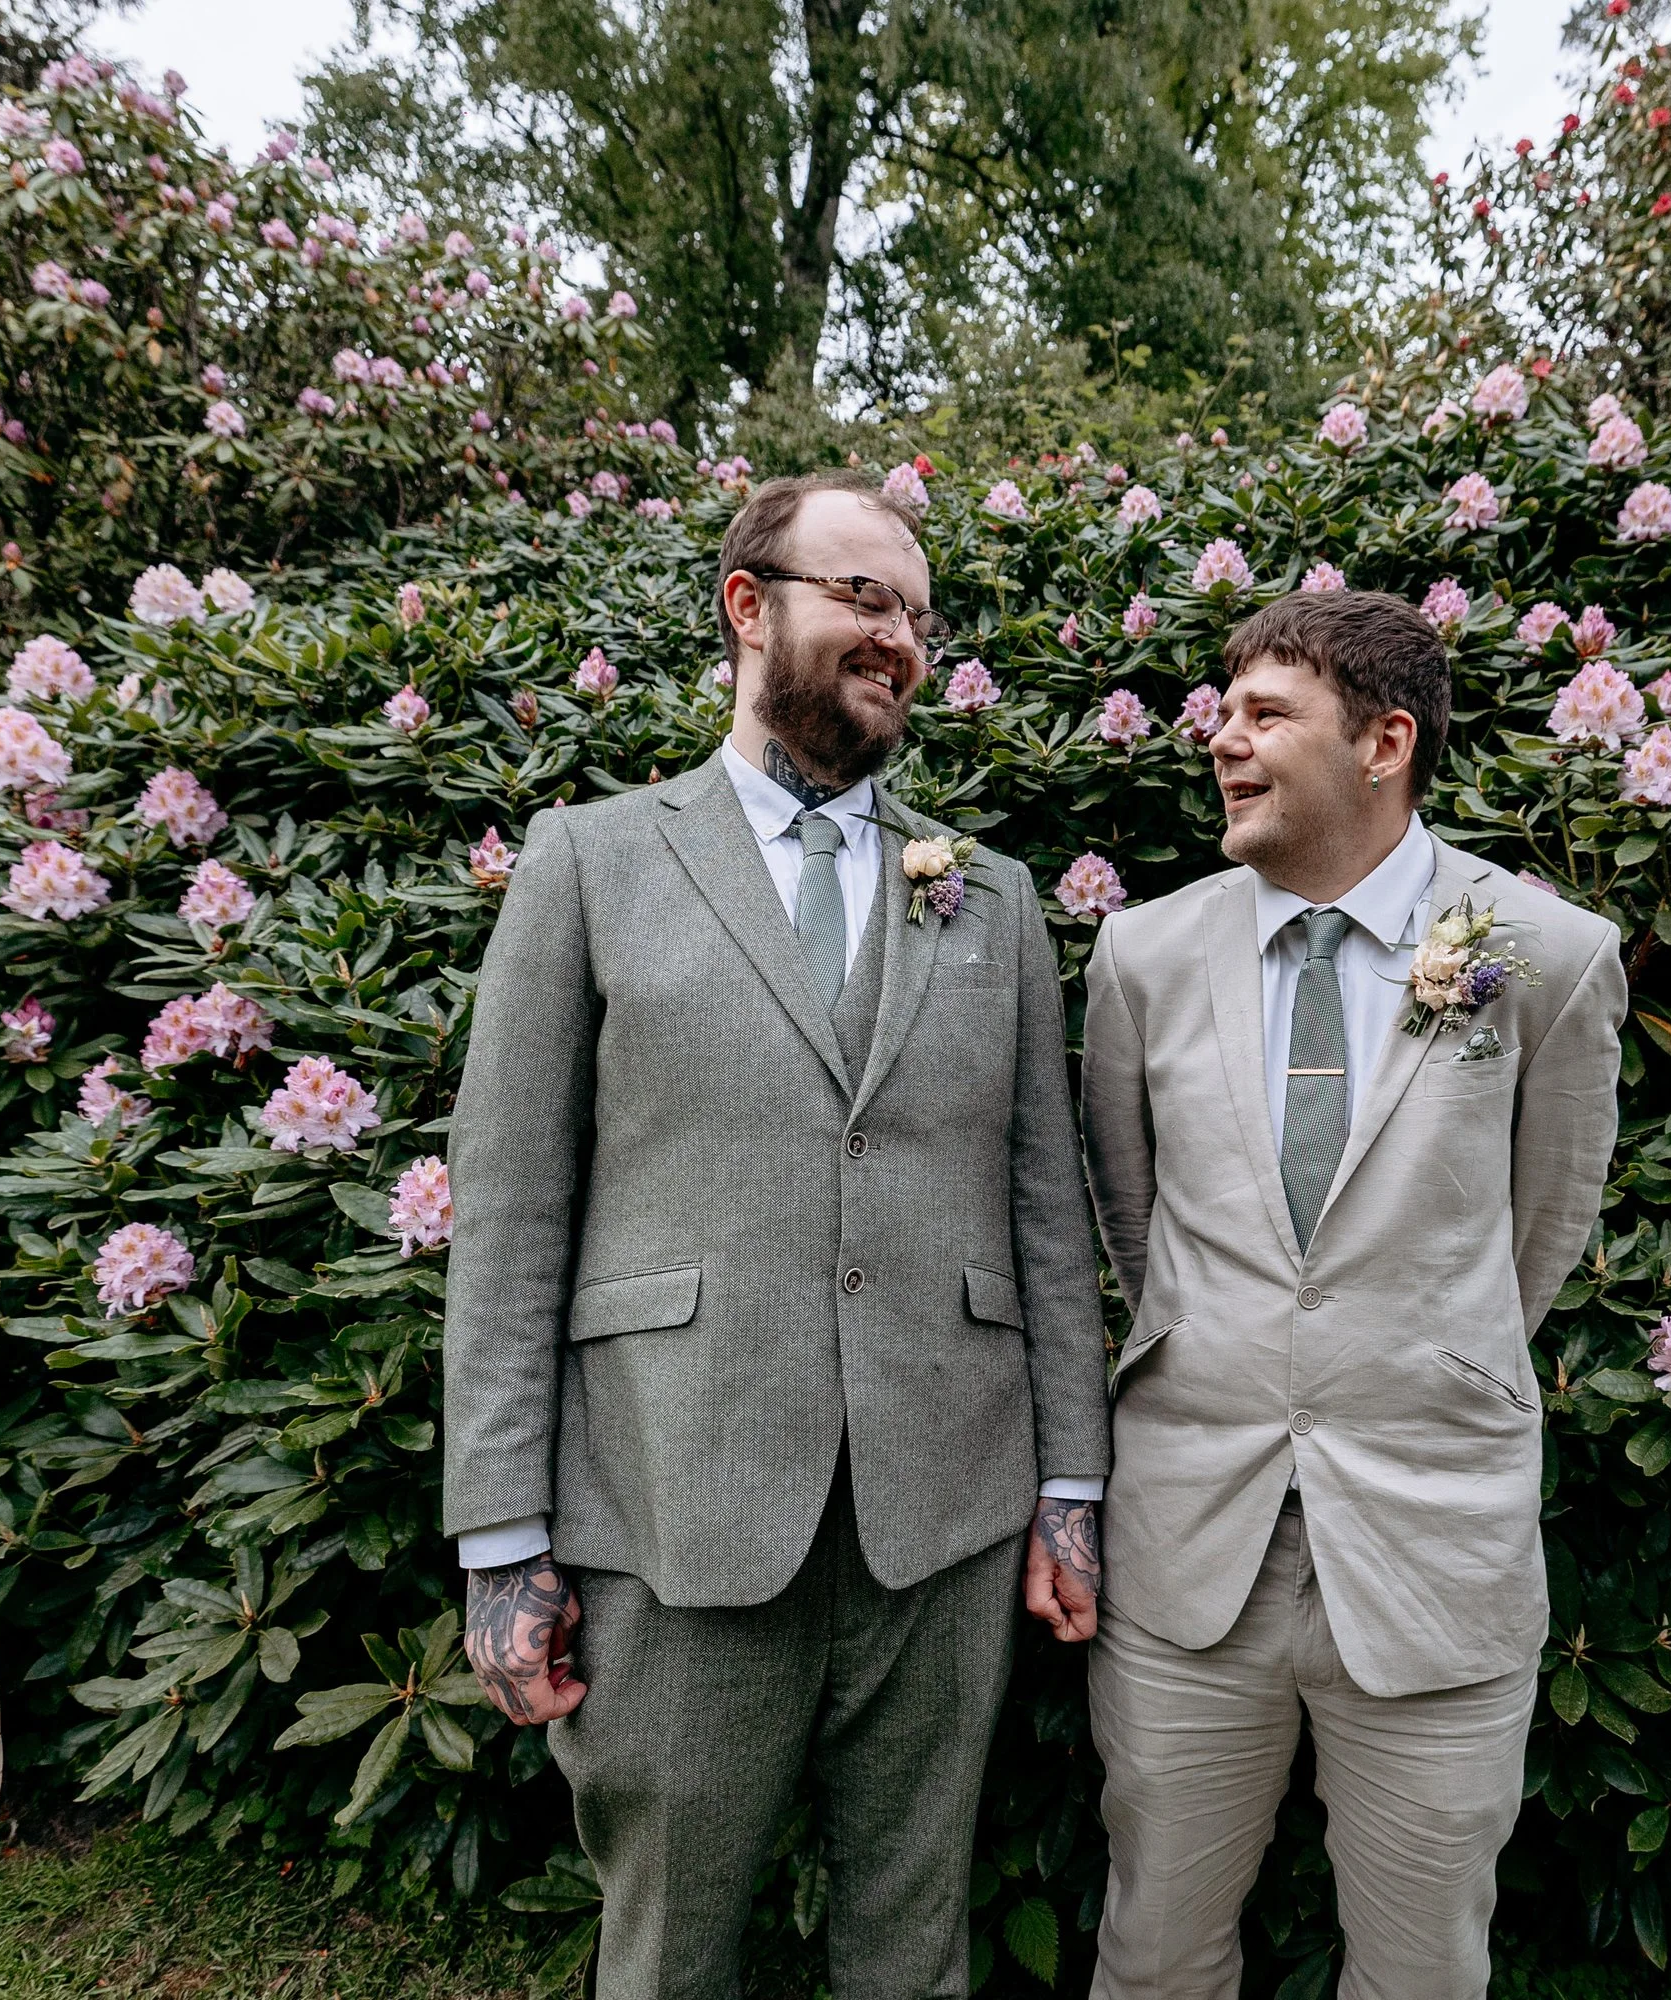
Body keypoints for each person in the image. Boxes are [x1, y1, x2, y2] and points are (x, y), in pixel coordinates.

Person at [443, 468, 1111, 2000]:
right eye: (864, 596)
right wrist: (501, 1542)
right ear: (749, 607)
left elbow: (1043, 1215)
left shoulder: (993, 901)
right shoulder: (591, 864)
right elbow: (516, 1212)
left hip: (940, 1527)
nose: (900, 639)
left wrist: (1069, 1483)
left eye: (919, 616)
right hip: (673, 1517)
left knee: (911, 1944)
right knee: (669, 1951)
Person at [1078, 589, 1626, 1999]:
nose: (1222, 739)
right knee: (1153, 1952)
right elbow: (1141, 1235)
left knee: (1424, 1972)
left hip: (1438, 1561)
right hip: (1194, 1562)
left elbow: (1540, 1232)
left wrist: (1414, 1356)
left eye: (1267, 714)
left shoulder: (1549, 960)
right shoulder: (1141, 958)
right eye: (1222, 711)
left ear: (1385, 742)